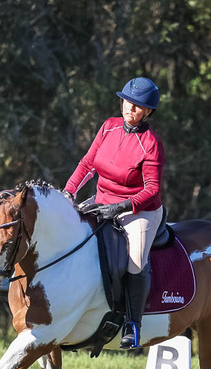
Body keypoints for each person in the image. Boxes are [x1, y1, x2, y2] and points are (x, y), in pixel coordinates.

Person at [63, 77, 165, 349]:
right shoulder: (108, 127)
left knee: (134, 262)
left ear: (148, 112)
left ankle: (133, 324)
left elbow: (152, 189)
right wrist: (68, 192)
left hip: (139, 209)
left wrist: (121, 207)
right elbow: (88, 164)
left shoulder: (150, 143)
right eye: (128, 103)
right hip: (102, 200)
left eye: (138, 107)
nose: (130, 109)